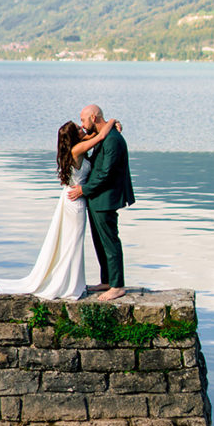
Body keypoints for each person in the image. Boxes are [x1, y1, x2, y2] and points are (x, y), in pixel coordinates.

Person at [0, 117, 118, 300]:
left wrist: (105, 126)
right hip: (75, 201)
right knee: (72, 243)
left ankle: (70, 281)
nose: (83, 129)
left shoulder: (76, 147)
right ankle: (69, 284)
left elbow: (96, 134)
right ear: (74, 136)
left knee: (69, 242)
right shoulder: (78, 149)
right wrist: (112, 120)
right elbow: (102, 134)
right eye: (79, 129)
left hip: (70, 197)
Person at [67, 104, 135, 302]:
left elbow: (107, 173)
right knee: (99, 242)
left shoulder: (112, 140)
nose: (82, 124)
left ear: (94, 118)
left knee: (110, 241)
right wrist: (113, 121)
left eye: (83, 120)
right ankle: (106, 280)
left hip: (105, 199)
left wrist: (83, 189)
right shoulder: (103, 136)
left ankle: (117, 286)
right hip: (96, 199)